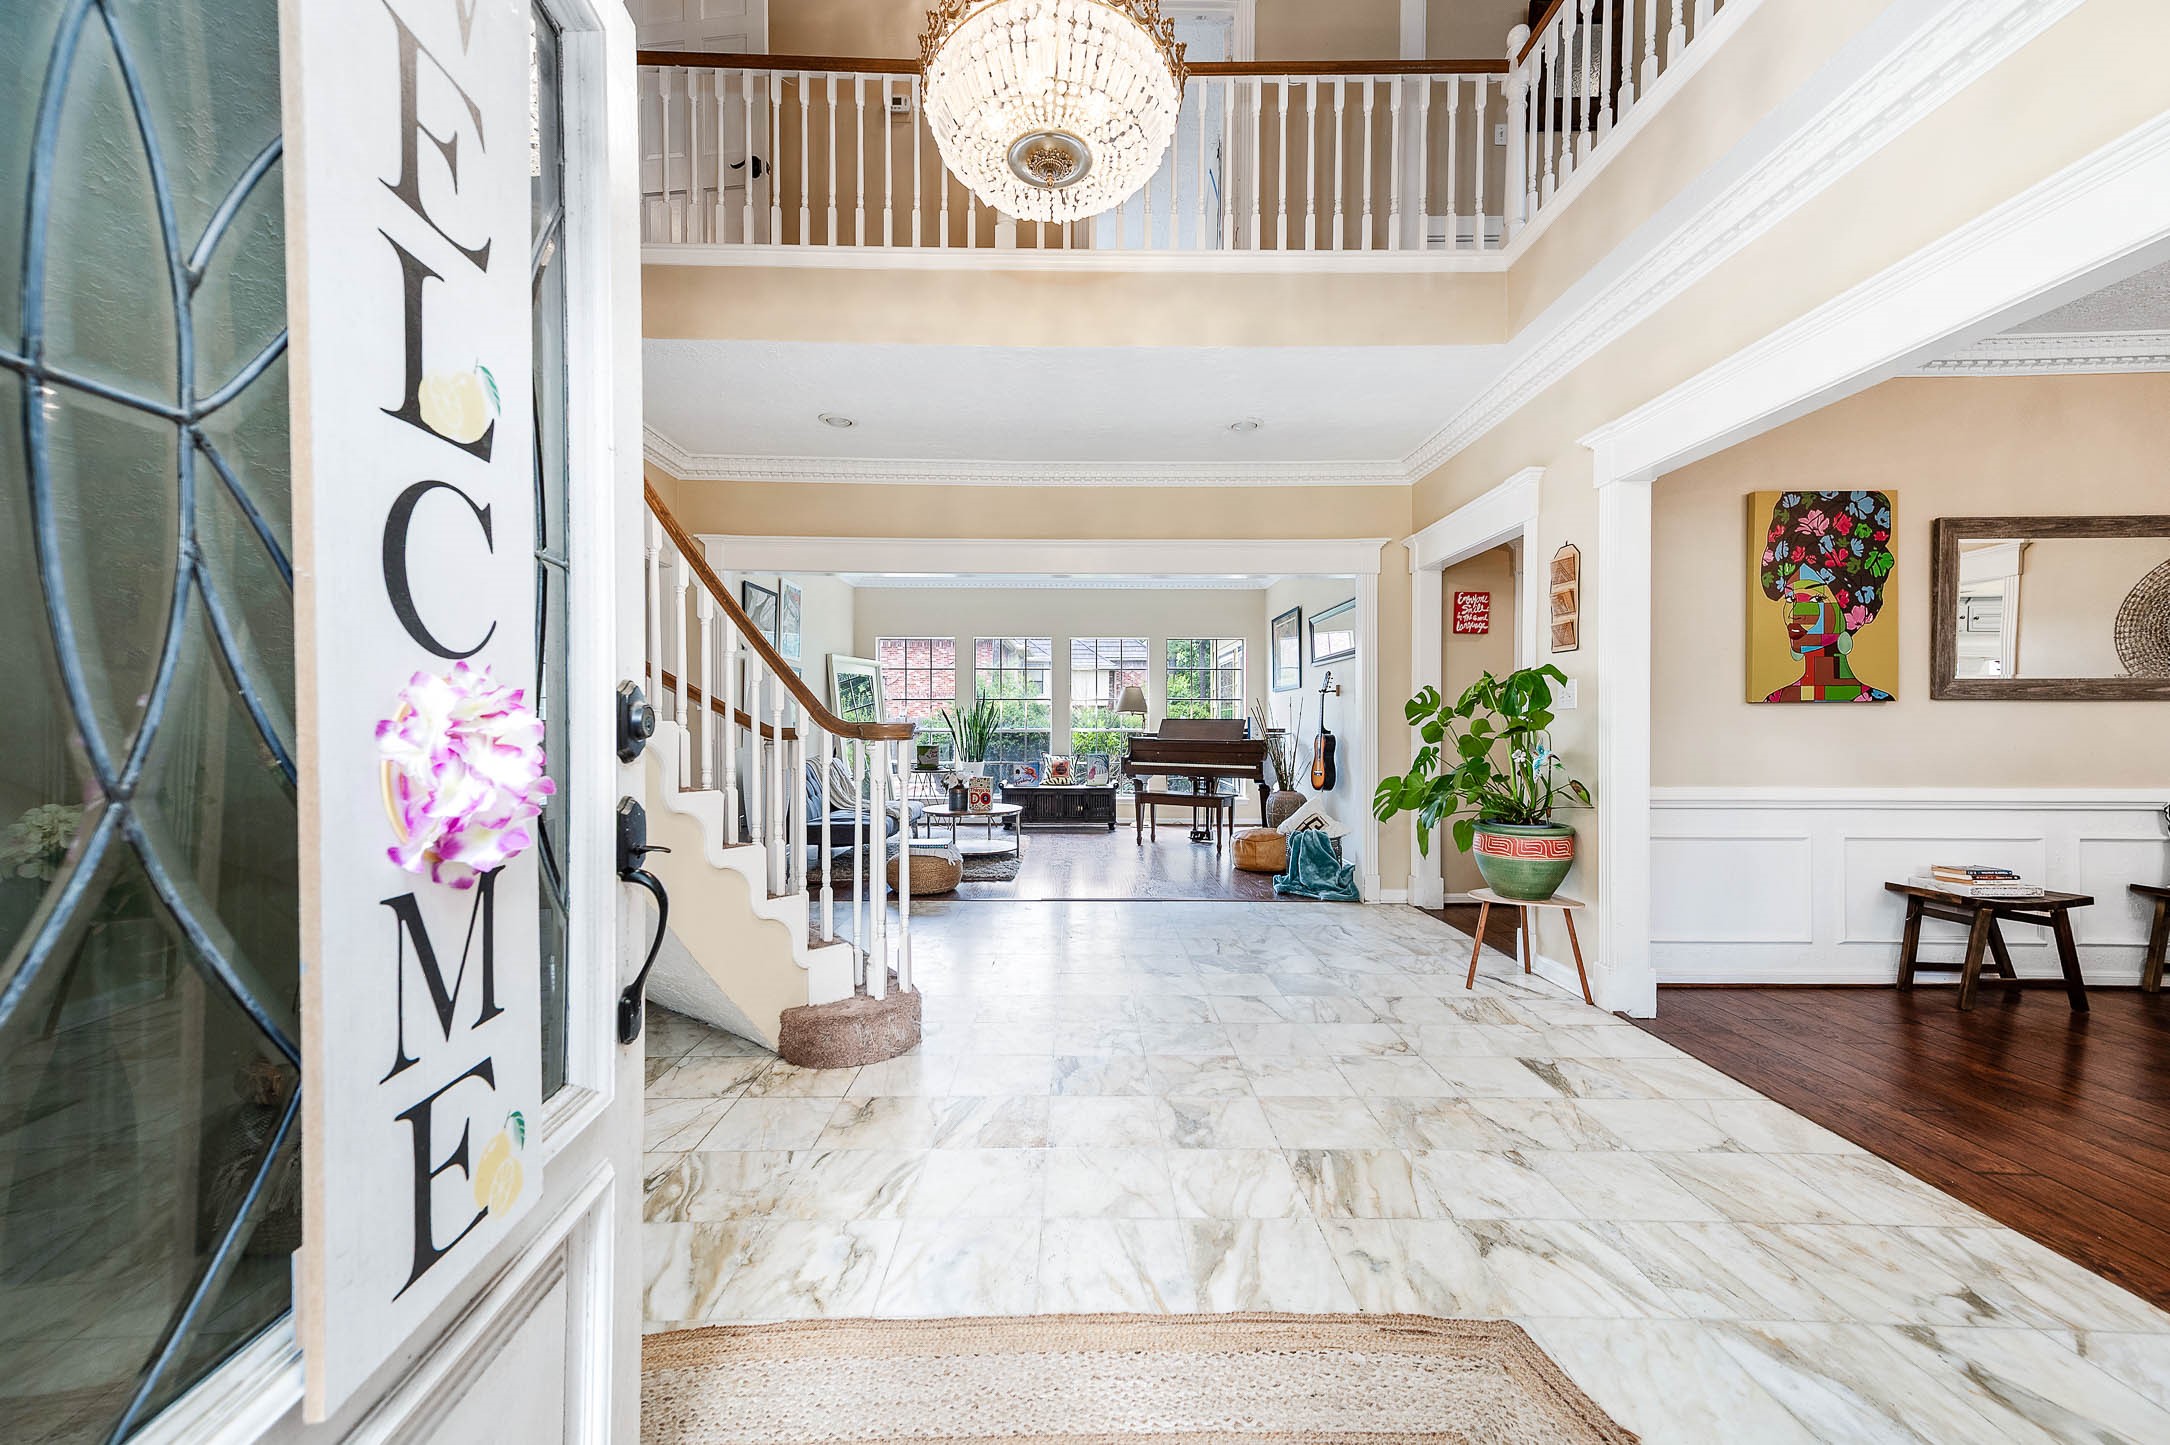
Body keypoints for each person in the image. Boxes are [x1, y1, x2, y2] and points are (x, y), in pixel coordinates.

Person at [1756, 490, 1895, 703]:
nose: (1796, 612)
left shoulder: (1877, 701)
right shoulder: (1774, 700)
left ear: (1850, 612)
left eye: (1816, 599)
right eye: (1791, 598)